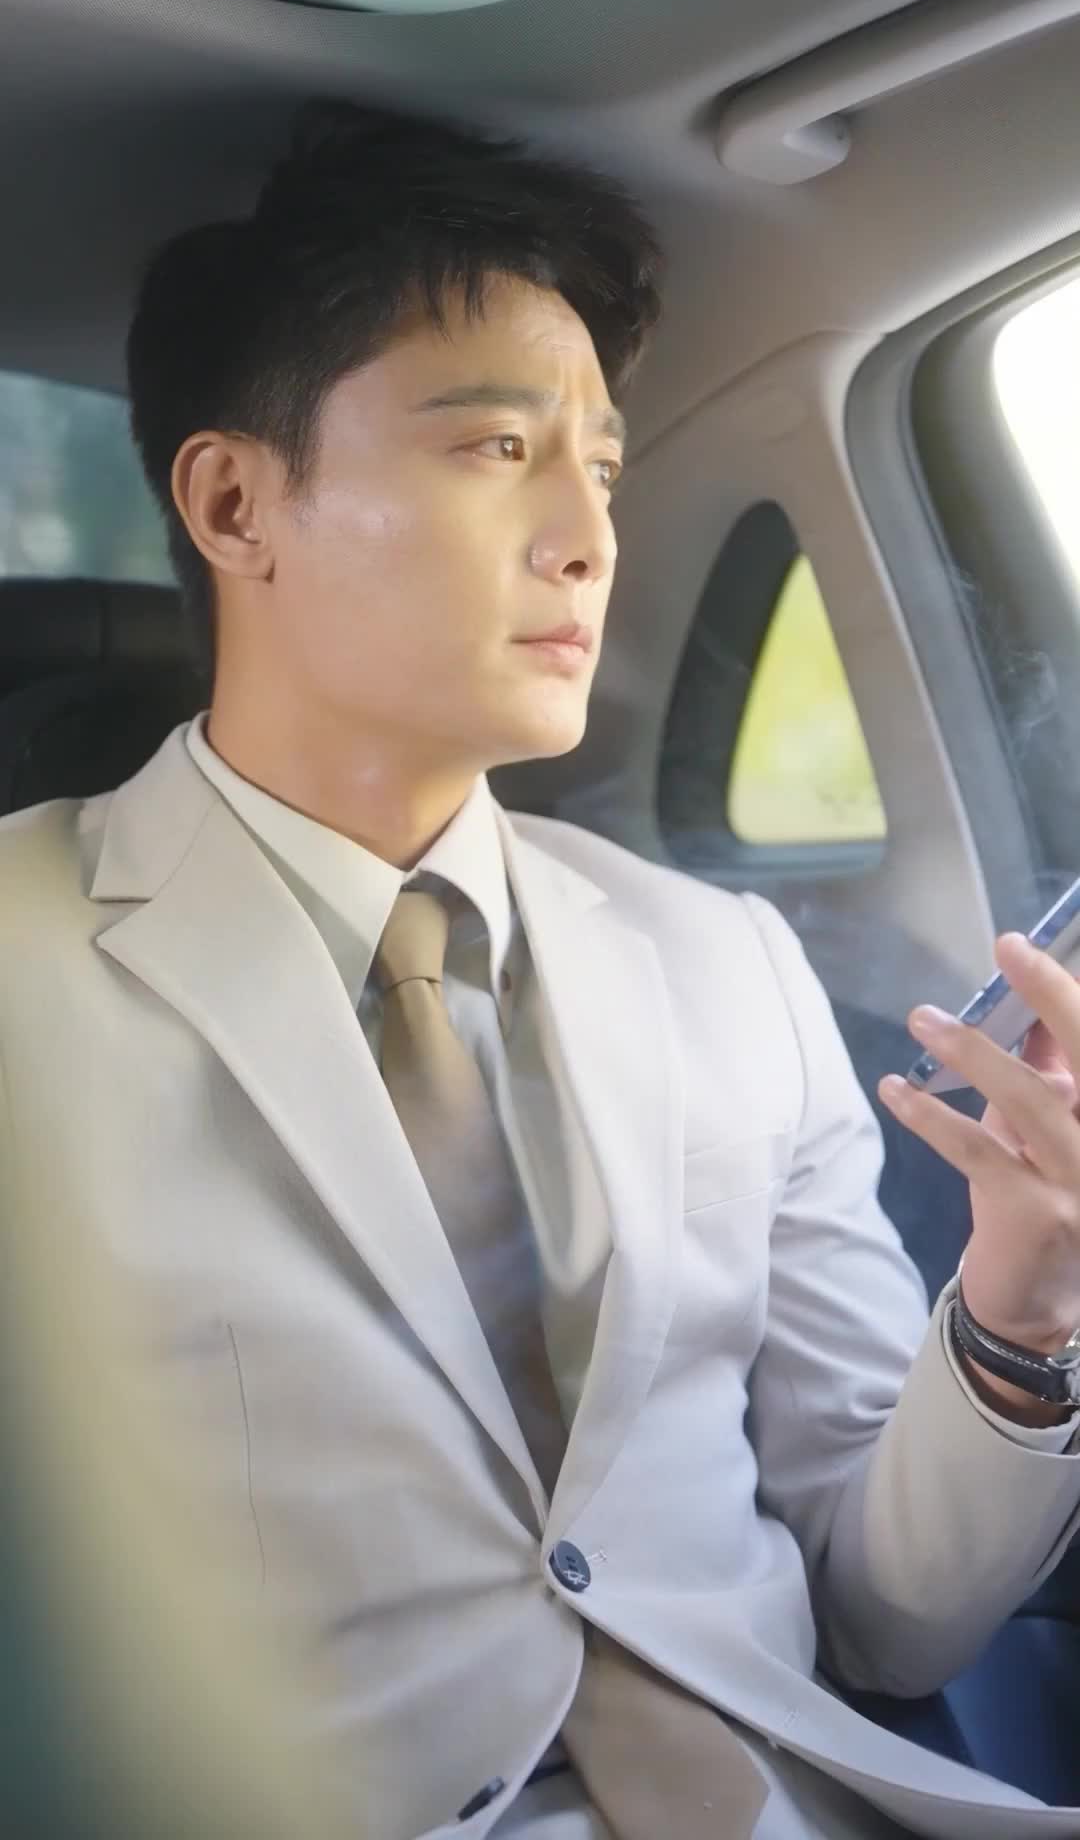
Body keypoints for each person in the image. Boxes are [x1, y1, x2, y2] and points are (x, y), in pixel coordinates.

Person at [2, 97, 1080, 1840]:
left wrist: (1021, 1313)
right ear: (235, 500)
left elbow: (893, 1618)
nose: (587, 534)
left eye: (604, 466)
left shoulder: (725, 965)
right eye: (498, 448)